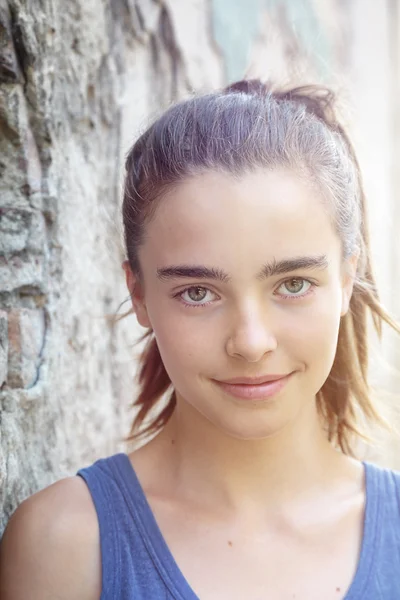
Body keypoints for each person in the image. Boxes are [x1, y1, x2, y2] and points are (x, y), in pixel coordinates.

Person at [1, 79, 400, 600]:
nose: (251, 342)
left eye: (293, 284)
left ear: (346, 280)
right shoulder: (64, 545)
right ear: (139, 294)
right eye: (197, 292)